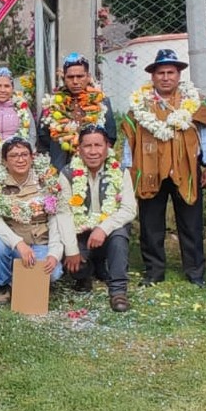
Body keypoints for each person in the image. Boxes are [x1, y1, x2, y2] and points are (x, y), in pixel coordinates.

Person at [121, 49, 206, 287]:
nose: (165, 77)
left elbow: (205, 134)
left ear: (178, 75)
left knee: (191, 222)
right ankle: (154, 271)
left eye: (170, 73)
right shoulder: (139, 105)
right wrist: (127, 170)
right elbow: (128, 140)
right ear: (152, 77)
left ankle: (195, 272)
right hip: (149, 168)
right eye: (160, 73)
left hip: (186, 168)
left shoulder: (193, 102)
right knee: (151, 223)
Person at [0, 137, 76, 305]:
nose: (20, 159)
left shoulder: (47, 180)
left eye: (24, 154)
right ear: (5, 161)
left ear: (32, 157)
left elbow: (56, 219)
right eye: (14, 156)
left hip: (41, 242)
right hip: (13, 241)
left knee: (53, 273)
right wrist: (18, 243)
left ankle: (23, 280)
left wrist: (54, 254)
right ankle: (3, 285)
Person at [58, 125, 137, 312]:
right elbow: (64, 214)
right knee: (76, 268)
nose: (93, 151)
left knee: (119, 235)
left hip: (109, 231)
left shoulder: (120, 171)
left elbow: (128, 209)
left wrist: (103, 228)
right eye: (87, 146)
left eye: (98, 145)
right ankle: (89, 272)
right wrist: (71, 250)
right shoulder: (67, 173)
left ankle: (118, 291)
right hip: (81, 232)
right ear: (79, 149)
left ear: (107, 147)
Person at [39, 53, 117, 171]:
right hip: (60, 167)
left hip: (94, 167)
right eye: (70, 77)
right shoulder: (53, 103)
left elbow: (110, 136)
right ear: (64, 77)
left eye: (80, 76)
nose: (75, 81)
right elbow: (43, 137)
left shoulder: (101, 101)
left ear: (88, 76)